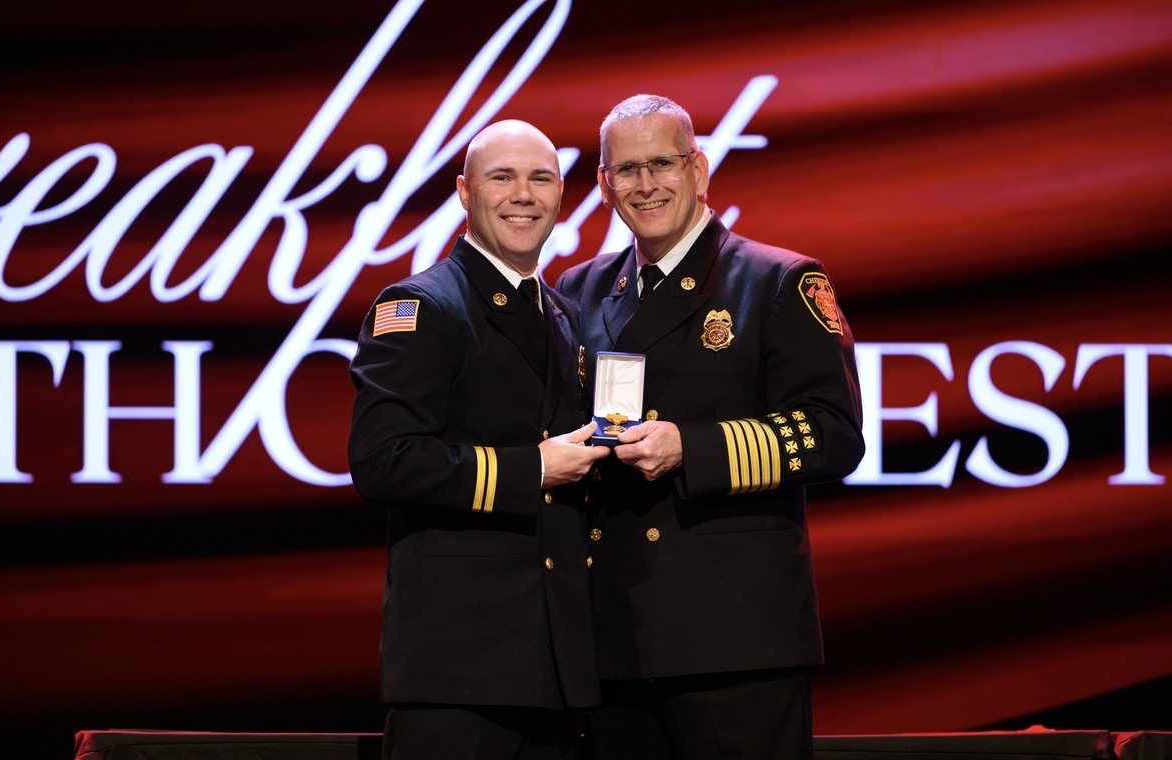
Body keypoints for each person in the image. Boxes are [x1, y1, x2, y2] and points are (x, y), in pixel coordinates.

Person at [556, 94, 865, 759]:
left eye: (661, 164)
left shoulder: (777, 281)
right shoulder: (578, 290)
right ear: (604, 186)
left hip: (732, 641)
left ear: (699, 170)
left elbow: (832, 432)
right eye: (627, 170)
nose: (645, 185)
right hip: (610, 635)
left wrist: (688, 448)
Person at [348, 119, 609, 760]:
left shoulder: (563, 313)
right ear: (465, 192)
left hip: (555, 671)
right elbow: (383, 460)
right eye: (502, 177)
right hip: (457, 669)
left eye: (540, 178)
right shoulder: (420, 305)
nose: (524, 194)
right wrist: (531, 470)